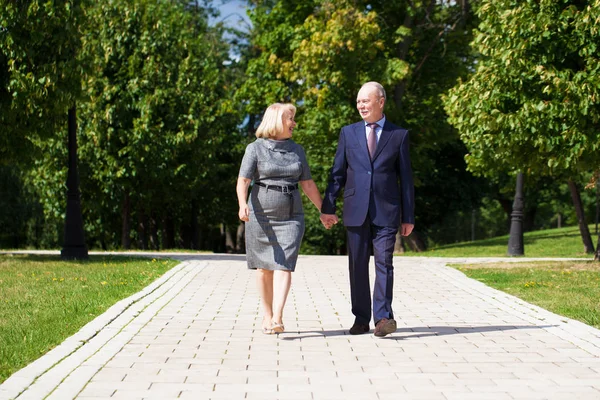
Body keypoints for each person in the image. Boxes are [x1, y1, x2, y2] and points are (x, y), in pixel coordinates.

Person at [320, 82, 415, 337]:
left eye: (366, 101)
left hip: (387, 209)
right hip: (355, 208)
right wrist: (327, 207)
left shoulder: (399, 135)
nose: (361, 105)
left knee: (385, 262)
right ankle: (361, 318)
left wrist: (408, 217)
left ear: (381, 102)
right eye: (359, 101)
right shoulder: (348, 133)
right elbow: (337, 173)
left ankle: (383, 318)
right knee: (358, 265)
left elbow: (405, 179)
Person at [237, 103, 323, 335]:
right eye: (290, 118)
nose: (294, 123)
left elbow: (307, 183)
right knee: (264, 268)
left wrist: (323, 210)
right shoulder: (254, 149)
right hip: (260, 214)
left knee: (284, 264)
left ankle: (278, 316)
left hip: (291, 214)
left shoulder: (297, 150)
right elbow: (243, 181)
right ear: (276, 120)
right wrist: (242, 204)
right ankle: (267, 314)